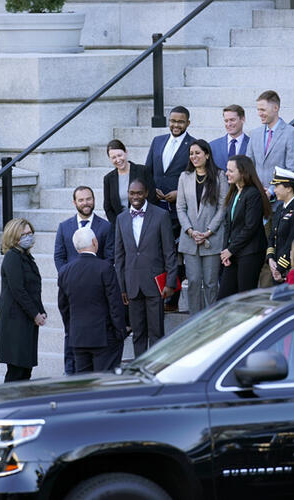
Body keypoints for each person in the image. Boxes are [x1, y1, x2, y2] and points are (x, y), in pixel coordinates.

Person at [115, 178, 177, 357]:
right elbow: (119, 257)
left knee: (157, 332)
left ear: (146, 193)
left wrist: (170, 282)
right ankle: (139, 368)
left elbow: (169, 252)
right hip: (132, 285)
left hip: (155, 285)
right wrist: (122, 287)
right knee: (138, 333)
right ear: (128, 194)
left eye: (139, 193)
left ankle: (157, 367)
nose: (135, 197)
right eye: (132, 193)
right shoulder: (121, 219)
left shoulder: (160, 215)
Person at [54, 186, 113, 374]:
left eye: (89, 199)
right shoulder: (64, 227)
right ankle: (69, 374)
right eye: (81, 200)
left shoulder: (105, 227)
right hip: (72, 290)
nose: (86, 203)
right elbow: (59, 256)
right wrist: (68, 278)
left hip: (98, 289)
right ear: (74, 203)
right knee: (71, 332)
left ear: (94, 200)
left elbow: (110, 257)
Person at [145, 105, 195, 312]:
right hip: (157, 207)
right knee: (158, 253)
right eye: (173, 121)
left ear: (188, 123)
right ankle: (159, 291)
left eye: (180, 121)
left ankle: (172, 298)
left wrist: (179, 193)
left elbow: (195, 177)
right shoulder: (157, 141)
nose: (175, 125)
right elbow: (148, 170)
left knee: (176, 255)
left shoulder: (193, 145)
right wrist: (151, 188)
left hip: (179, 210)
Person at [58, 227, 126, 373]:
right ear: (95, 242)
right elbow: (115, 304)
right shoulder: (105, 268)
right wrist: (120, 332)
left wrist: (71, 330)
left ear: (76, 248)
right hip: (104, 337)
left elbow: (63, 307)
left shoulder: (65, 271)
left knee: (84, 386)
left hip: (78, 337)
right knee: (104, 385)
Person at [176, 139, 227, 314]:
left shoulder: (219, 176)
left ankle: (211, 321)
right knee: (194, 281)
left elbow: (223, 207)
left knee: (211, 283)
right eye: (191, 154)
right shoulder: (185, 177)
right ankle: (194, 321)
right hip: (190, 240)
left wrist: (208, 231)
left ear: (207, 154)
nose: (194, 157)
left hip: (211, 239)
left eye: (197, 153)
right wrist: (190, 230)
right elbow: (180, 207)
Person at [0, 218, 47, 382]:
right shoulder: (12, 257)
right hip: (15, 321)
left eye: (30, 233)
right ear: (13, 237)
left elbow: (33, 289)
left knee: (25, 370)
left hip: (25, 319)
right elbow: (18, 290)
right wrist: (35, 314)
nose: (28, 237)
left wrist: (41, 310)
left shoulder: (26, 257)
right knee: (16, 371)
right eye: (23, 234)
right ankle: (7, 406)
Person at [217, 155, 272, 299]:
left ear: (242, 172)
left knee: (246, 298)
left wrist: (230, 250)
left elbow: (250, 227)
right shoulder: (234, 192)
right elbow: (229, 225)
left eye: (231, 170)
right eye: (226, 170)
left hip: (250, 253)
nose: (227, 173)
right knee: (224, 297)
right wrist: (226, 251)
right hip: (234, 252)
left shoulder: (253, 193)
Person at [246, 90, 294, 187]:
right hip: (256, 195)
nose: (259, 113)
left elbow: (291, 170)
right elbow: (248, 166)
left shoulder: (292, 133)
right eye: (258, 110)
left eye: (263, 110)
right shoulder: (254, 134)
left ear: (275, 108)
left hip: (279, 197)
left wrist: (271, 191)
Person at [267, 167, 294, 283]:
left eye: (277, 186)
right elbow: (272, 236)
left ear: (289, 188)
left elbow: (293, 241)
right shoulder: (281, 208)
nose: (274, 190)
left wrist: (280, 267)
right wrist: (270, 259)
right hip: (276, 267)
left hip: (288, 269)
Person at [103, 139, 156, 227]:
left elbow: (152, 198)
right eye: (113, 157)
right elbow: (107, 207)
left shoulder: (143, 171)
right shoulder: (108, 178)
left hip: (144, 222)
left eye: (120, 155)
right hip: (121, 225)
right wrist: (118, 225)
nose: (118, 160)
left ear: (126, 152)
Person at [210, 104, 250, 170]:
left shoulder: (252, 144)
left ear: (242, 119)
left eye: (232, 120)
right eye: (226, 121)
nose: (229, 124)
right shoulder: (213, 146)